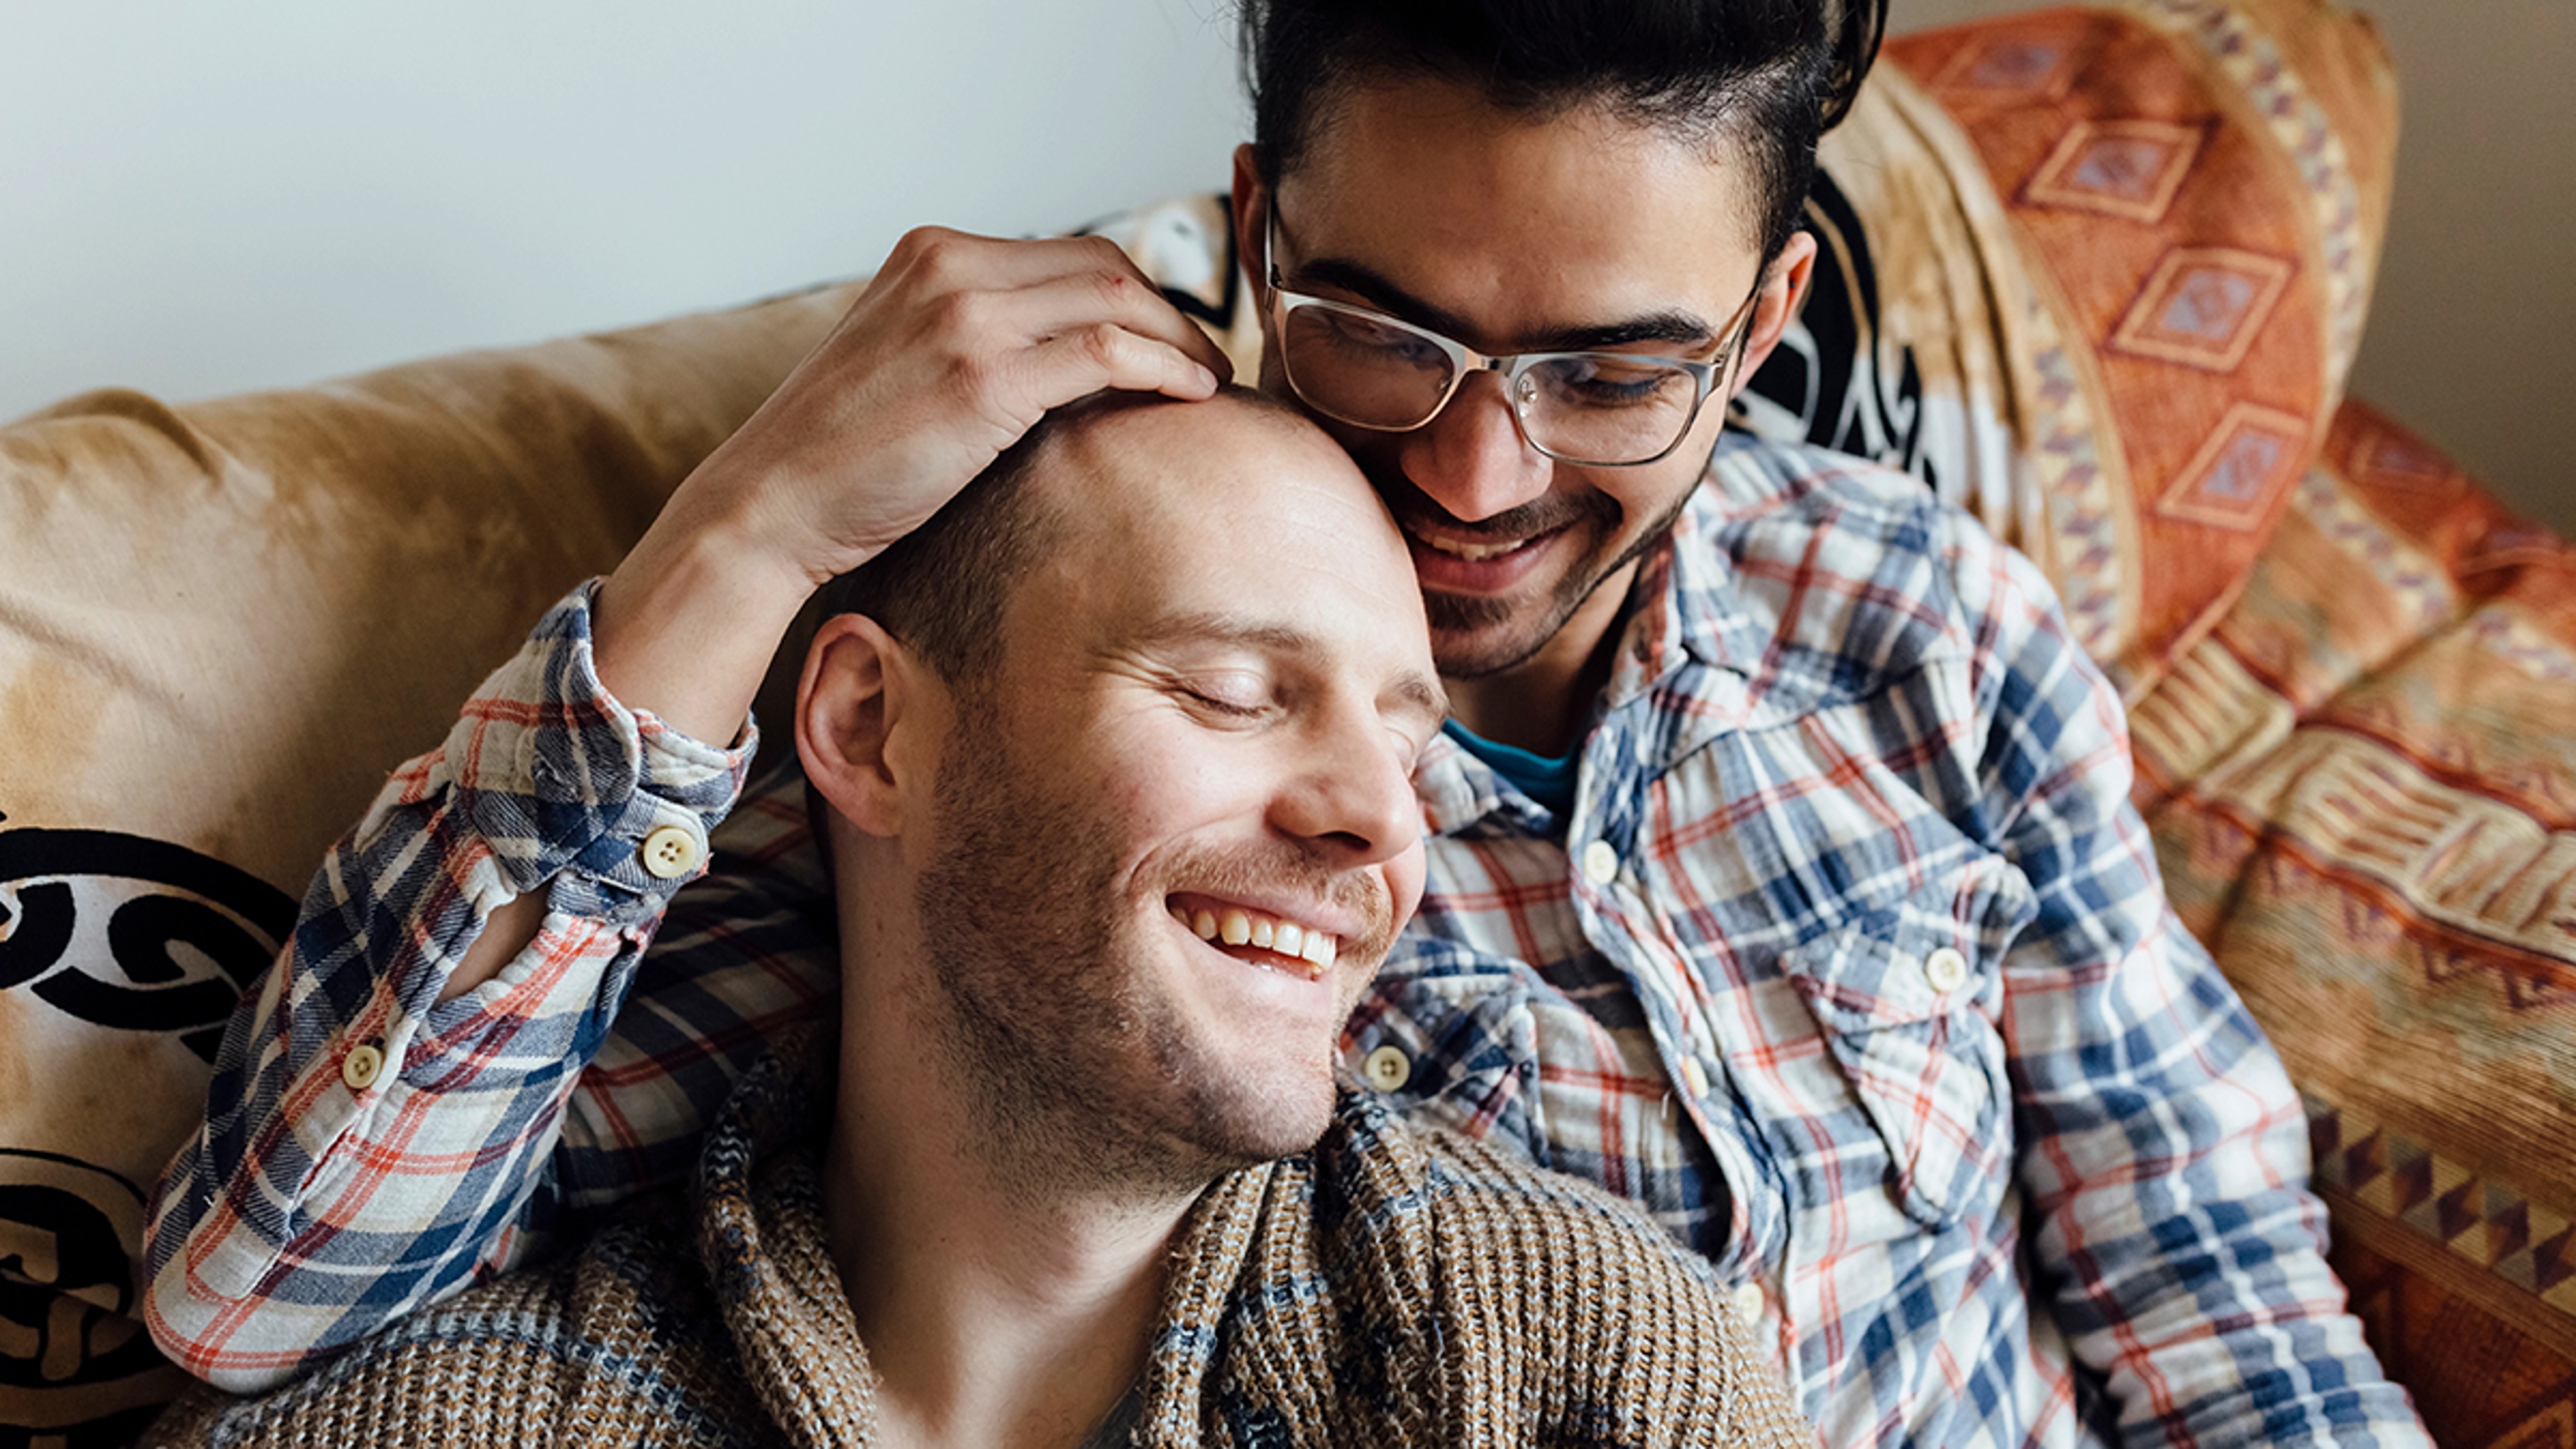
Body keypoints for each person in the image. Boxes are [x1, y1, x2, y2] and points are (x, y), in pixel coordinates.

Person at [147, 1, 2434, 1444]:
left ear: (1763, 324)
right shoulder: (1066, 719)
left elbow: (2207, 1284)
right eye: (1383, 329)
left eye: (1614, 370)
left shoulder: (1927, 626)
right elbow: (269, 1292)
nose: (1478, 473)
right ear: (1254, 238)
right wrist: (739, 535)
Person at [140, 390, 1810, 1447]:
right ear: (871, 731)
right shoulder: (481, 1417)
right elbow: (255, 1278)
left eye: (1410, 732)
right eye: (1233, 691)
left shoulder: (1578, 1359)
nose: (1378, 820)